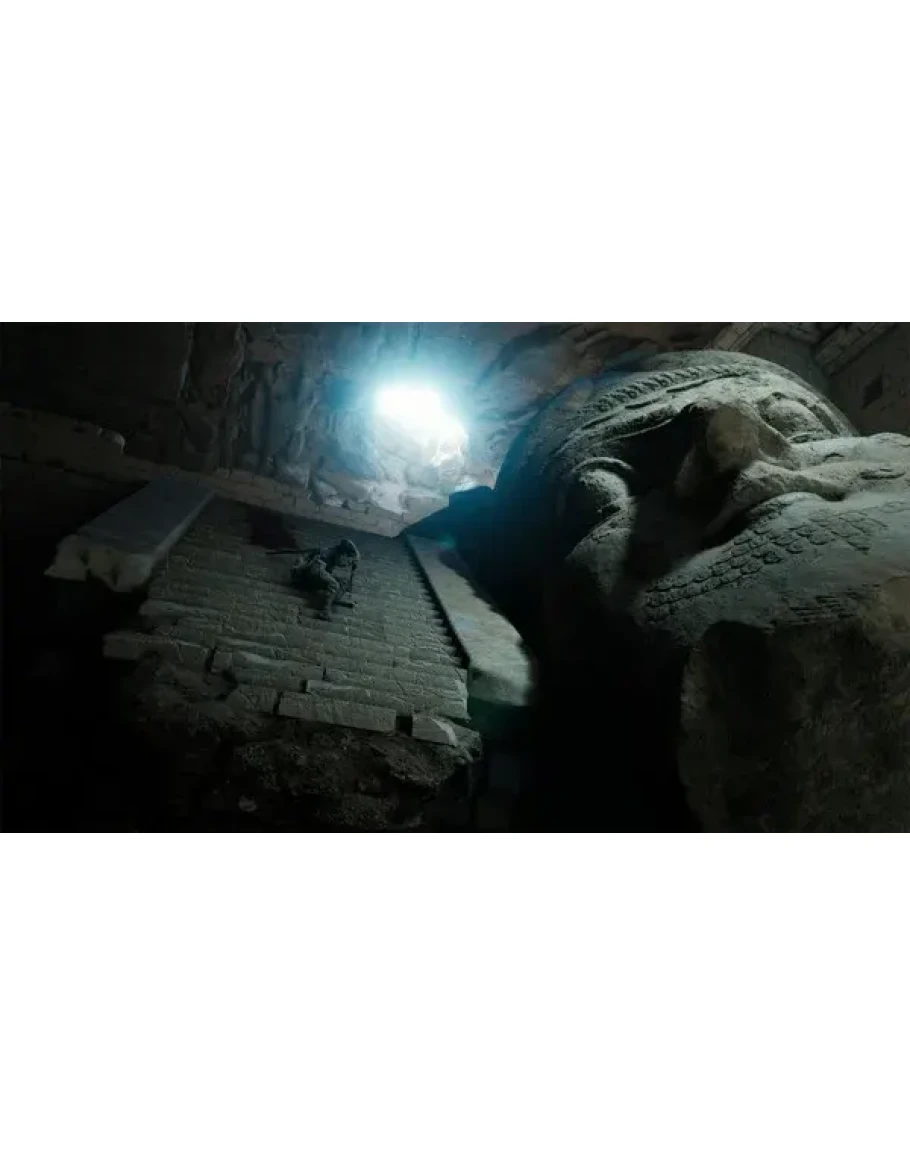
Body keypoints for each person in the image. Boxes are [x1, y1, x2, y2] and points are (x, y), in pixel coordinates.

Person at [289, 539, 360, 620]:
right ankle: (325, 611)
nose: (347, 564)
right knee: (334, 585)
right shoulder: (324, 556)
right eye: (348, 560)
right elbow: (314, 571)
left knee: (343, 582)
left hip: (312, 577)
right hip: (306, 579)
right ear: (343, 555)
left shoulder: (331, 557)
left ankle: (332, 599)